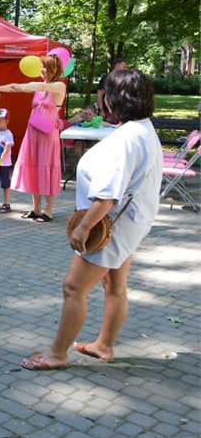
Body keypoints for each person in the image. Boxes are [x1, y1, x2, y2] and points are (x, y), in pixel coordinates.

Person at [21, 69, 163, 370]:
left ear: (112, 99)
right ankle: (103, 345)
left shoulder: (127, 138)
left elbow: (108, 194)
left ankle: (57, 354)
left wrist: (84, 228)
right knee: (114, 286)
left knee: (74, 287)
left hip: (110, 225)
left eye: (104, 94)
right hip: (132, 222)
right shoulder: (142, 128)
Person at [0, 55, 65, 223]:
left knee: (47, 168)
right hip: (33, 134)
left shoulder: (59, 86)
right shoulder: (38, 88)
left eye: (46, 67)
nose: (42, 71)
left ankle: (48, 210)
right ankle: (36, 208)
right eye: (42, 67)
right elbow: (18, 87)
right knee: (35, 168)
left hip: (47, 134)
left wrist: (27, 86)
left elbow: (28, 86)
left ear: (55, 70)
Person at [96, 58, 127, 123]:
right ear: (117, 66)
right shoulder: (107, 78)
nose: (125, 69)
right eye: (124, 67)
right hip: (108, 112)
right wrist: (101, 110)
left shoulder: (122, 80)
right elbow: (99, 95)